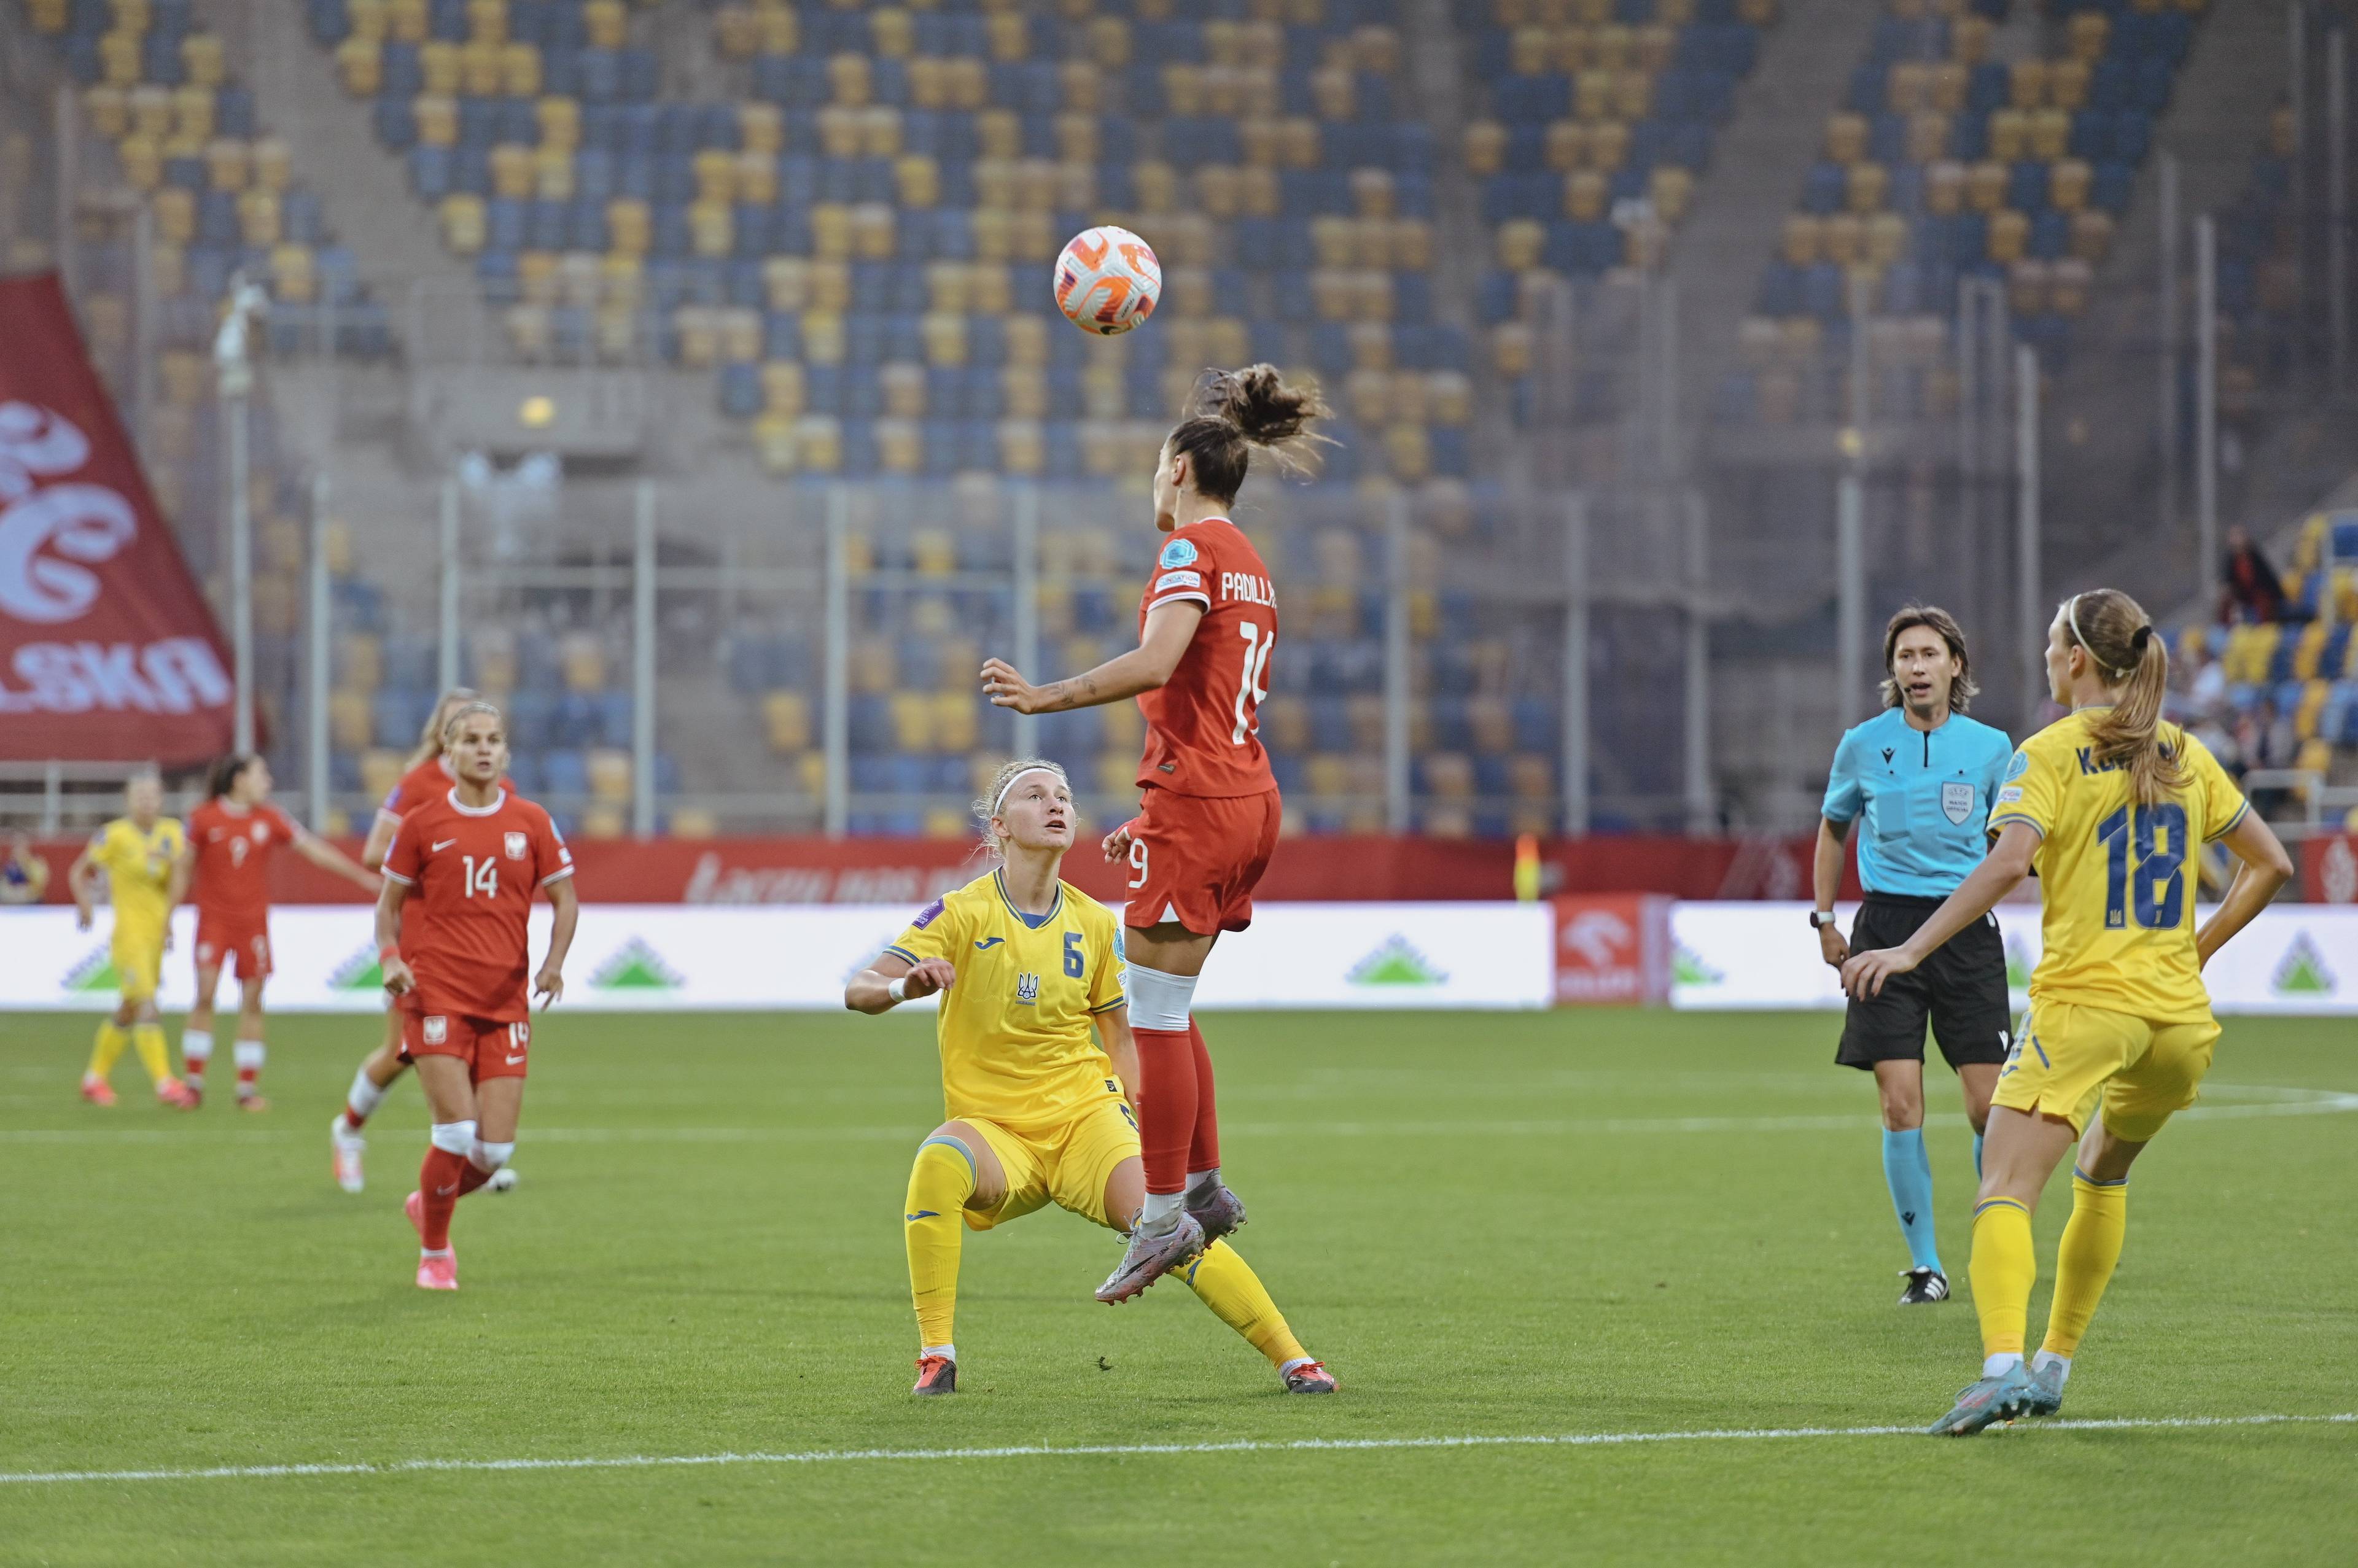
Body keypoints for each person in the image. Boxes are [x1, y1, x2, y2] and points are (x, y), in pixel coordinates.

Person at [1843, 588, 2292, 1435]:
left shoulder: (2048, 753)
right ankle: (2054, 1363)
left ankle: (2001, 1366)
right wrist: (2196, 949)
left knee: (2005, 1187)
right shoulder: (2183, 751)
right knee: (2103, 1174)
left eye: (2054, 644)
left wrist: (1908, 949)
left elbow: (2010, 864)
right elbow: (2268, 863)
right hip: (2179, 1024)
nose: (2048, 657)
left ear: (2076, 659)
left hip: (2087, 1005)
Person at [979, 365, 1327, 1303]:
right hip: (1244, 795)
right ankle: (1204, 1188)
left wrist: (1046, 696)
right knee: (1170, 1003)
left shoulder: (1189, 553)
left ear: (1177, 468)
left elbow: (1160, 661)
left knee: (1151, 1013)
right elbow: (1206, 693)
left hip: (1204, 800)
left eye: (1151, 468)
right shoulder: (1249, 558)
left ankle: (1163, 1213)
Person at [845, 759, 1333, 1397]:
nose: (1056, 804)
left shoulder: (1097, 924)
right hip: (998, 1135)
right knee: (936, 1159)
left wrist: (1143, 1123)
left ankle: (1294, 1358)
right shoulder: (961, 913)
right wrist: (905, 985)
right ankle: (937, 1357)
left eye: (1065, 796)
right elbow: (860, 989)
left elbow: (1124, 1041)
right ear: (1001, 826)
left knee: (1169, 1224)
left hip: (1086, 1124)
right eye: (1035, 795)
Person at [1812, 607, 2014, 1305]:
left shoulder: (1992, 748)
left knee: (1990, 1106)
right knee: (1901, 1106)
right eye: (1905, 656)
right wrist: (1827, 922)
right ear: (1892, 670)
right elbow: (1833, 830)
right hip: (1883, 929)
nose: (1917, 667)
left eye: (1929, 654)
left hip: (1966, 931)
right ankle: (1927, 1267)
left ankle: (1996, 1242)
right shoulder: (1863, 745)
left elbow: (2012, 840)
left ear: (1956, 665)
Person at [374, 701, 577, 1290]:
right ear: (449, 751)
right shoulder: (422, 824)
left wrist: (554, 963)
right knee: (457, 1135)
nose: (485, 749)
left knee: (494, 1154)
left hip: (506, 1001)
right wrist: (392, 959)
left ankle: (427, 1203)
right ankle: (435, 1252)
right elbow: (388, 909)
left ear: (505, 751)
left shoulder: (532, 821)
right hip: (437, 995)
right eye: (471, 740)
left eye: (494, 740)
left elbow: (566, 899)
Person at [330, 688, 494, 1190]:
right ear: (444, 737)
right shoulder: (417, 785)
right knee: (403, 1051)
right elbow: (374, 854)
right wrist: (436, 870)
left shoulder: (497, 786)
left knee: (474, 1050)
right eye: (459, 727)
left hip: (477, 944)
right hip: (420, 938)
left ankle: (472, 1161)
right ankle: (348, 1130)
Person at [179, 754, 379, 1110]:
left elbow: (314, 851)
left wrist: (361, 877)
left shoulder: (270, 818)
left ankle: (246, 1090)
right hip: (214, 921)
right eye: (261, 774)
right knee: (205, 995)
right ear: (239, 779)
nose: (267, 782)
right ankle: (193, 1084)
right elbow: (182, 869)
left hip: (252, 924)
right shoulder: (202, 818)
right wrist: (167, 915)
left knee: (253, 1002)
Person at [68, 773, 195, 1108]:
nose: (147, 801)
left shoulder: (172, 833)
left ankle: (94, 1079)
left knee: (128, 1010)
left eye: (153, 795)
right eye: (140, 795)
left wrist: (169, 921)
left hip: (155, 936)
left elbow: (180, 876)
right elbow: (78, 871)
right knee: (148, 1006)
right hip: (129, 936)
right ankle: (166, 1082)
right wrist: (85, 904)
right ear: (128, 801)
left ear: (162, 800)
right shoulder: (114, 836)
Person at [2218, 525, 2284, 624]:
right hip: (2243, 597)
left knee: (2263, 602)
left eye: (2239, 536)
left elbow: (2266, 581)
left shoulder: (2254, 556)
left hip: (2262, 596)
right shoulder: (2231, 560)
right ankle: (2226, 629)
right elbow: (2229, 582)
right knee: (2226, 601)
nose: (2237, 539)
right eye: (2234, 536)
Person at [2, 830, 50, 904]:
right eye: (16, 843)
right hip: (11, 901)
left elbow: (40, 884)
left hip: (31, 901)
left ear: (27, 844)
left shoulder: (37, 862)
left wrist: (25, 863)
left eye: (21, 843)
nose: (18, 847)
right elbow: (4, 883)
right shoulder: (10, 864)